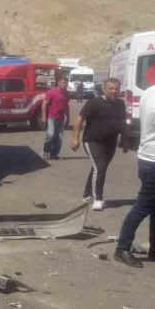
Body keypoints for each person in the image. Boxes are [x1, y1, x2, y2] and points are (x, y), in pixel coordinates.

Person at [70, 78, 128, 211]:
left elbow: (122, 122)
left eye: (116, 89)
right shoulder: (94, 103)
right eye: (111, 88)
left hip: (110, 142)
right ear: (104, 89)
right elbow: (79, 120)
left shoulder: (120, 104)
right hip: (92, 140)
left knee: (98, 168)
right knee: (100, 167)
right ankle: (98, 199)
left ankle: (87, 195)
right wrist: (75, 138)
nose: (114, 91)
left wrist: (125, 140)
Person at [113, 83, 155, 267]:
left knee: (152, 206)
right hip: (153, 160)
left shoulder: (149, 92)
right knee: (142, 206)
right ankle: (122, 248)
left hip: (146, 157)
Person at [41, 77, 70, 160]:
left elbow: (66, 106)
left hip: (61, 118)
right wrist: (43, 116)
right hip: (52, 117)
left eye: (66, 83)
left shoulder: (67, 93)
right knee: (51, 135)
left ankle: (54, 155)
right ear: (58, 83)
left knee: (59, 137)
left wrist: (68, 117)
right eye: (63, 82)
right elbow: (45, 104)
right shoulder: (51, 92)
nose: (65, 84)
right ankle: (46, 151)